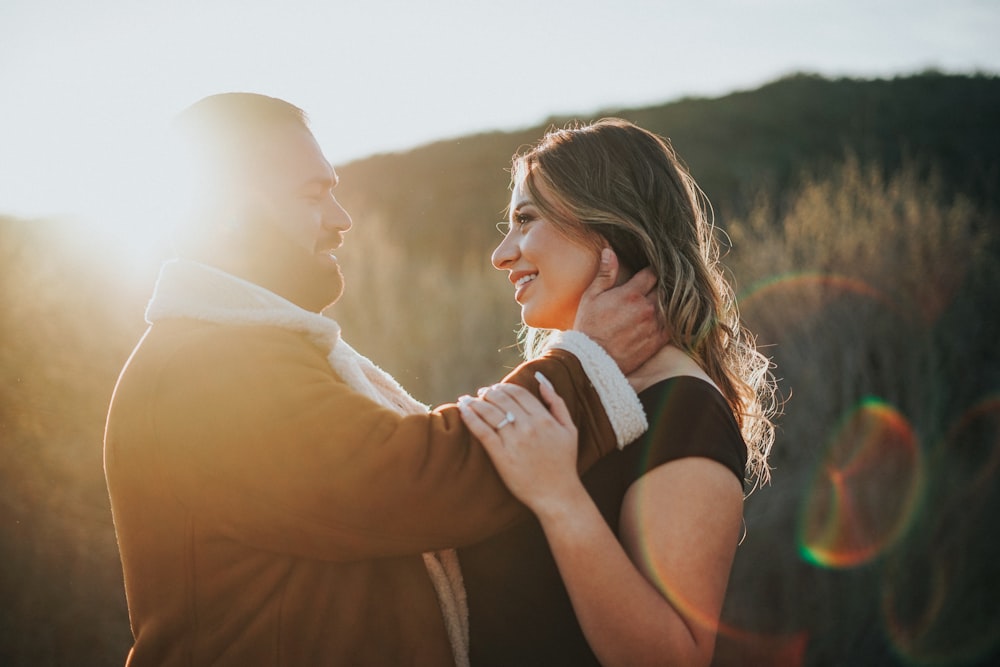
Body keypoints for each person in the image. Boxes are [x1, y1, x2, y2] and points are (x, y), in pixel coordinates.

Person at [103, 94, 667, 667]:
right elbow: (414, 481)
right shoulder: (207, 368)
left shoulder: (238, 348)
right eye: (312, 194)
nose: (340, 219)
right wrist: (586, 365)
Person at [456, 118, 778, 667]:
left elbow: (674, 659)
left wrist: (560, 501)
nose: (501, 254)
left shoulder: (685, 409)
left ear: (605, 226)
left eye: (525, 219)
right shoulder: (583, 389)